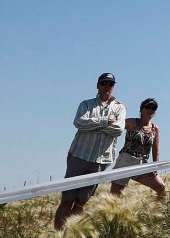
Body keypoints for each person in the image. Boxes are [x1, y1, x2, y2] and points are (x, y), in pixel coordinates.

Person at [54, 73, 127, 230]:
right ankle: (58, 233)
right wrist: (105, 121)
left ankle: (73, 232)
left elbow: (118, 130)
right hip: (79, 156)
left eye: (110, 83)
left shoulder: (120, 107)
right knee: (67, 200)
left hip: (100, 161)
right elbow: (79, 122)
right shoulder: (86, 104)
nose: (107, 86)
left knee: (81, 202)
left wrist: (93, 125)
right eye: (104, 83)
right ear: (98, 85)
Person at [109, 98, 166, 199]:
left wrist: (155, 166)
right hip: (125, 161)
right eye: (148, 107)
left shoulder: (154, 129)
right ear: (141, 109)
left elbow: (156, 150)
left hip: (142, 163)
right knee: (114, 196)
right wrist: (117, 109)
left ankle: (155, 212)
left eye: (153, 108)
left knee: (161, 187)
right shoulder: (132, 122)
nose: (150, 110)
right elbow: (115, 125)